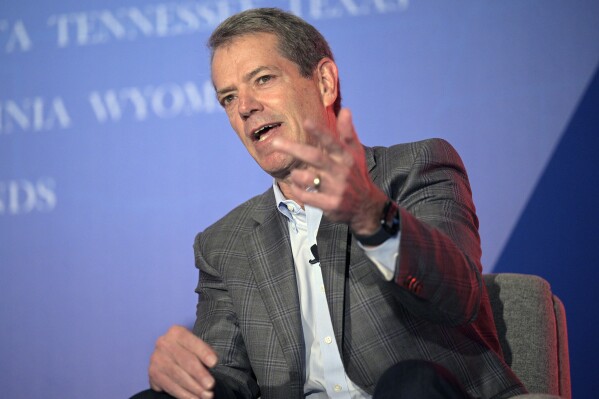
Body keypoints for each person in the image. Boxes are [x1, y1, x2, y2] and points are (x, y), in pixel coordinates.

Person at [133, 7, 527, 399]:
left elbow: (458, 296)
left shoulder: (415, 168)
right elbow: (226, 381)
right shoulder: (223, 244)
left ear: (324, 82)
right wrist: (184, 373)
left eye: (264, 79)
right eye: (228, 97)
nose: (244, 107)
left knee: (410, 384)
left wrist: (370, 214)